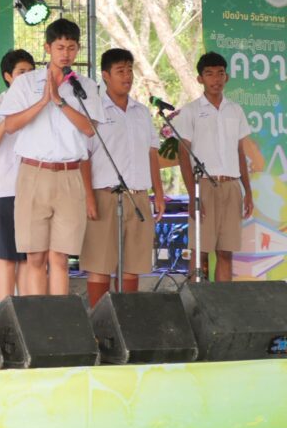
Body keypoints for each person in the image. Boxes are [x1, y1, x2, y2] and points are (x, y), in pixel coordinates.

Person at [0, 17, 103, 296]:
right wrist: (43, 101)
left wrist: (59, 101)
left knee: (60, 257)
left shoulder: (85, 86)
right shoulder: (26, 83)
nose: (65, 53)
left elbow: (90, 129)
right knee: (35, 256)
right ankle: (37, 316)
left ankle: (59, 317)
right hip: (34, 173)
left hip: (70, 175)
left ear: (78, 49)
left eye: (71, 47)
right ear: (47, 48)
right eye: (60, 47)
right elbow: (10, 125)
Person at [79, 48, 165, 307]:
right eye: (120, 71)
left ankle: (128, 320)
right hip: (103, 195)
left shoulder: (142, 112)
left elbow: (152, 153)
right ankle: (99, 322)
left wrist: (158, 193)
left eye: (129, 70)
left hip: (138, 196)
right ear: (106, 75)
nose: (127, 76)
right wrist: (88, 197)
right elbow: (83, 157)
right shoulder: (93, 110)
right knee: (100, 263)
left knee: (132, 265)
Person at [176, 51, 253, 282]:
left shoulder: (235, 110)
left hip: (231, 186)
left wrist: (247, 191)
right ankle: (195, 301)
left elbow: (240, 152)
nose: (216, 79)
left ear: (226, 77)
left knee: (226, 251)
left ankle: (223, 302)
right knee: (200, 251)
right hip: (203, 186)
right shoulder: (190, 111)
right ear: (200, 78)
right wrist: (193, 195)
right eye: (209, 74)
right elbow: (183, 155)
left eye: (220, 73)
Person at [0, 49, 35, 299]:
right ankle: (5, 312)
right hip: (5, 190)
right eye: (22, 72)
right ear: (8, 76)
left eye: (31, 72)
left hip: (34, 189)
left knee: (29, 257)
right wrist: (8, 120)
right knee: (7, 258)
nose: (27, 76)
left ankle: (25, 313)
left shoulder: (40, 106)